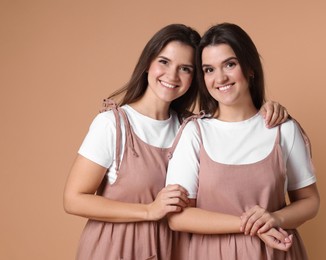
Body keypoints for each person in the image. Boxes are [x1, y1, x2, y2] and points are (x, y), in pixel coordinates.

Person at [63, 23, 289, 260]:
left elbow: (237, 121)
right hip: (117, 249)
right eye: (164, 62)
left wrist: (267, 110)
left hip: (175, 249)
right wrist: (149, 211)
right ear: (147, 64)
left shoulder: (192, 128)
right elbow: (73, 199)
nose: (172, 75)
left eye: (185, 68)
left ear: (195, 77)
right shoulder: (113, 125)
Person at [166, 23, 320, 259]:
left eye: (230, 64)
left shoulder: (283, 129)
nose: (220, 78)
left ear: (249, 68)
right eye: (209, 70)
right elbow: (177, 217)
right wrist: (249, 224)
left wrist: (275, 218)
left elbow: (310, 201)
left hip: (275, 253)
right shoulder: (194, 133)